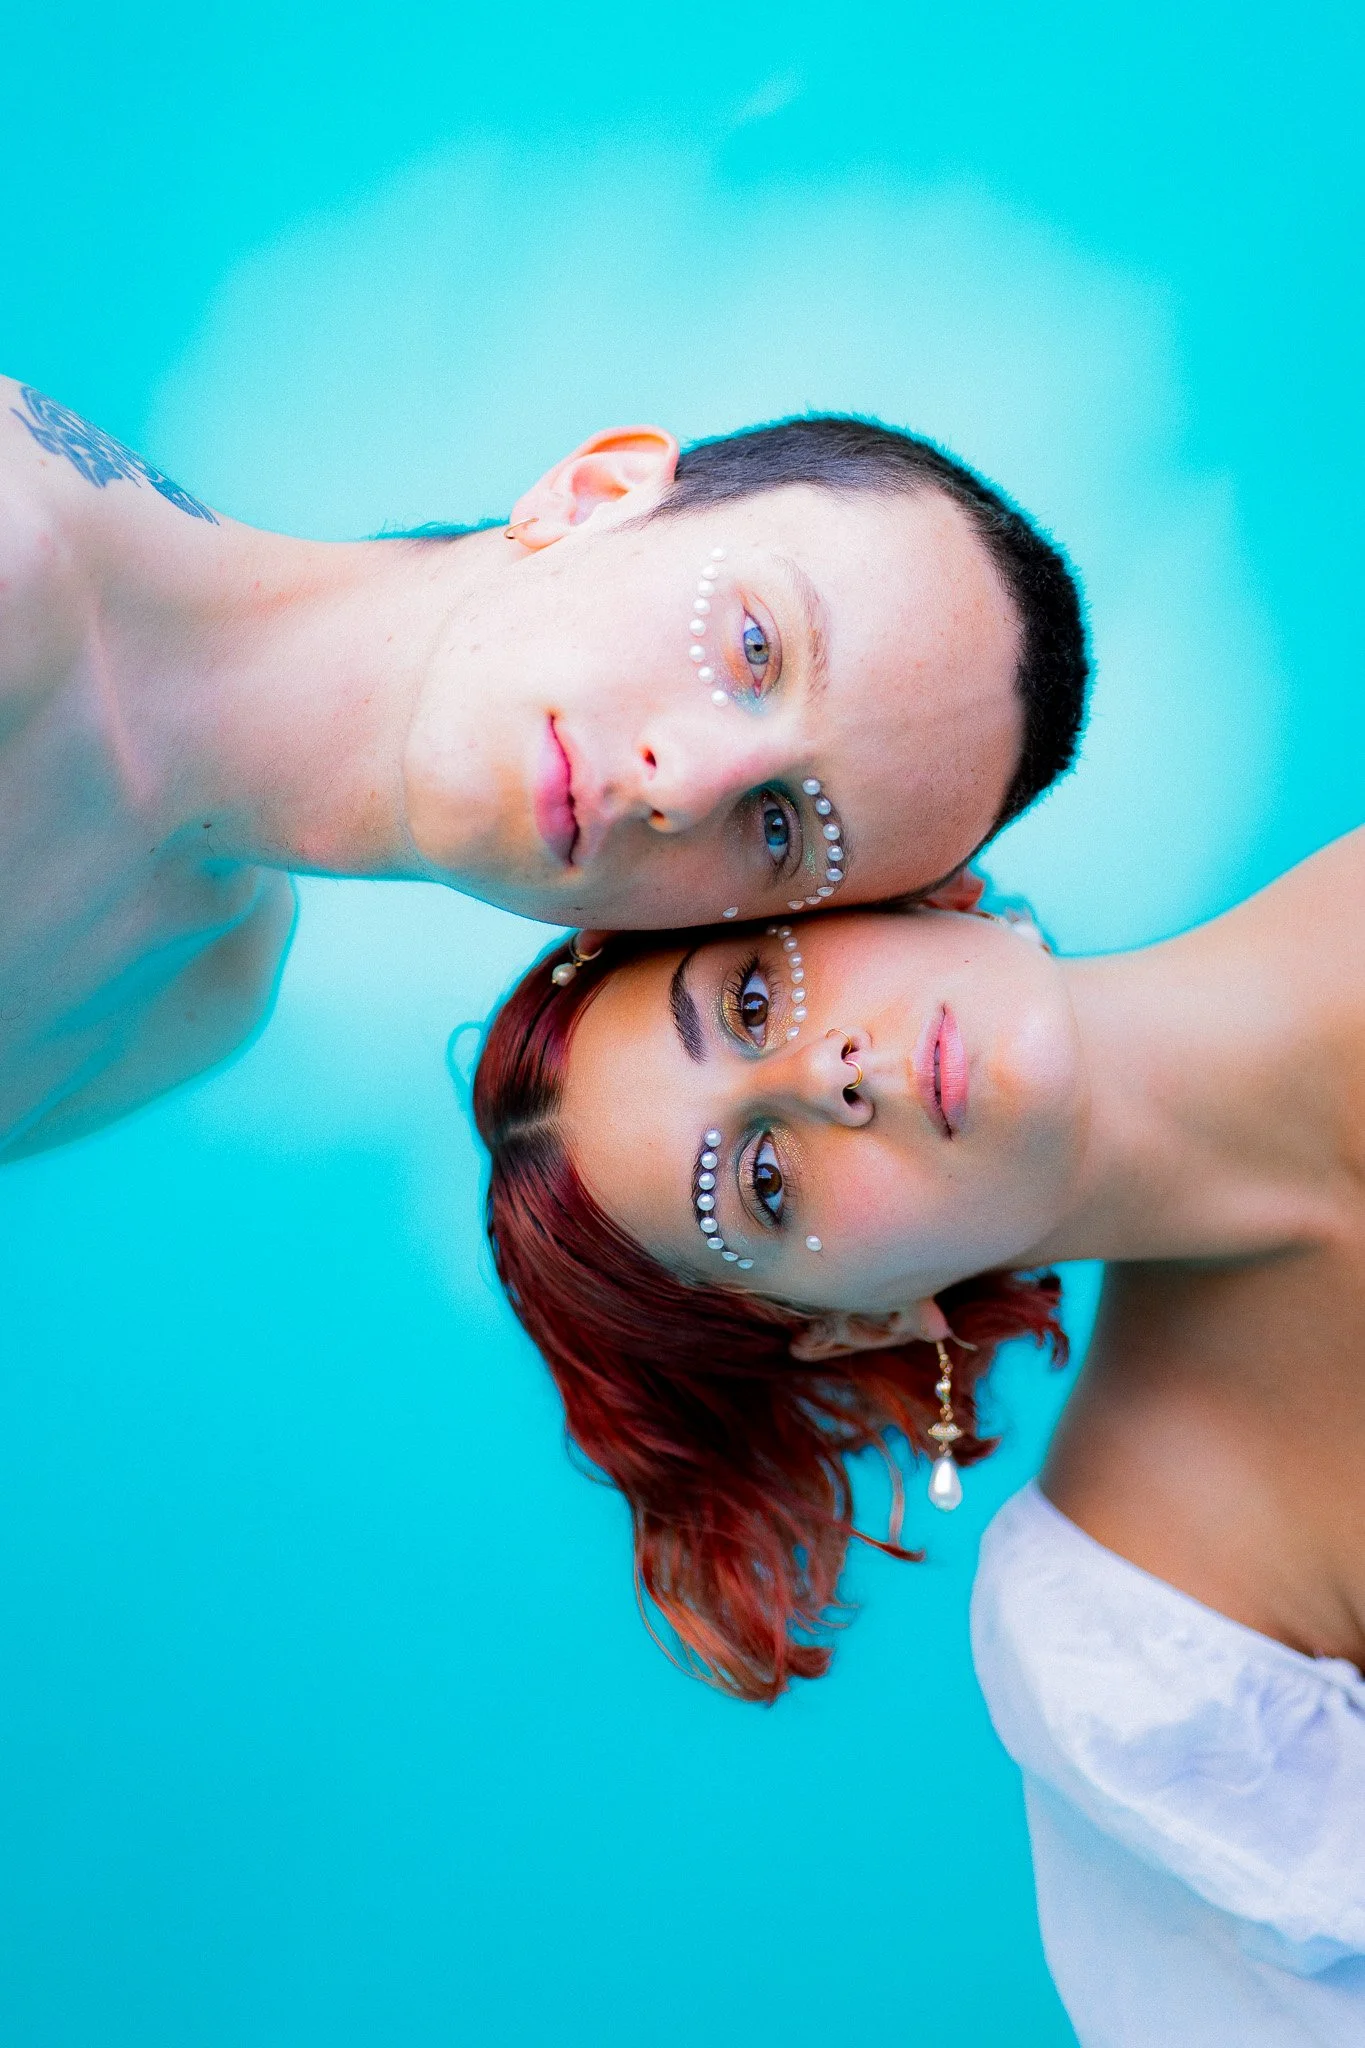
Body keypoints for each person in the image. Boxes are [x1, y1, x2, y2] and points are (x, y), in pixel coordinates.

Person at [472, 832, 1365, 2044]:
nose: (831, 1075)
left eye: (748, 999)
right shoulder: (1150, 1633)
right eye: (764, 1184)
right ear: (855, 1325)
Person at [0, 382, 1086, 1161]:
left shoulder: (192, 999)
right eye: (755, 648)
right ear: (593, 492)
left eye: (779, 829)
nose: (689, 782)